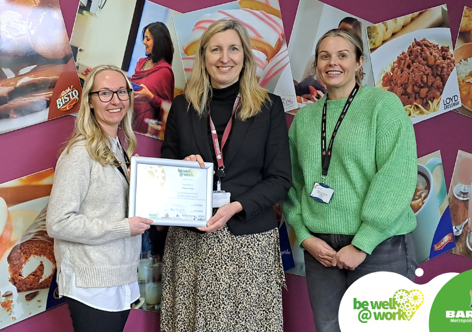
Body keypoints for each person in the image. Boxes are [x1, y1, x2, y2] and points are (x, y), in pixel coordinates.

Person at [153, 19, 291, 331]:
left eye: (233, 49)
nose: (224, 58)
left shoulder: (269, 107)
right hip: (192, 240)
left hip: (249, 239)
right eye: (215, 49)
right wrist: (183, 168)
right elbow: (167, 166)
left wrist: (235, 206)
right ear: (203, 56)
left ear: (245, 56)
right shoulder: (182, 107)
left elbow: (280, 179)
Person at [283, 28, 418, 332]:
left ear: (359, 63)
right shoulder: (304, 118)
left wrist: (362, 244)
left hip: (380, 246)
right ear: (317, 65)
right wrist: (304, 235)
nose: (333, 63)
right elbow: (290, 181)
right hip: (322, 252)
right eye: (325, 56)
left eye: (343, 55)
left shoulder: (383, 106)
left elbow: (396, 176)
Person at [46, 65, 153, 332]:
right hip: (91, 284)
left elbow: (111, 206)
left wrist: (140, 184)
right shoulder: (79, 153)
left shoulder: (119, 148)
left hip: (120, 278)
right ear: (90, 102)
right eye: (104, 93)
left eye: (121, 92)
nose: (115, 100)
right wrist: (123, 228)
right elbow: (58, 223)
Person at [130, 22, 175, 136]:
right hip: (129, 116)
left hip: (145, 125)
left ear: (158, 42)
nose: (144, 42)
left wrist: (150, 97)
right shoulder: (141, 62)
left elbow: (168, 108)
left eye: (147, 39)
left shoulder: (165, 71)